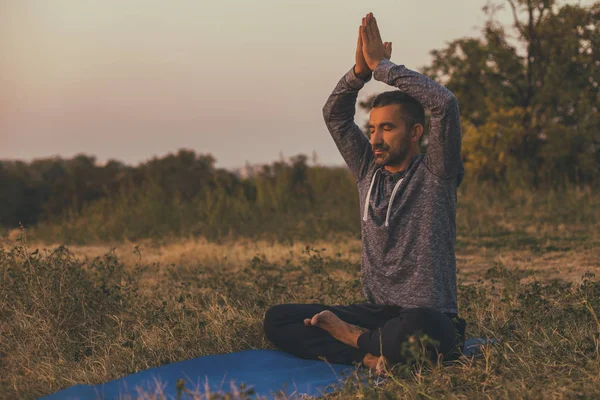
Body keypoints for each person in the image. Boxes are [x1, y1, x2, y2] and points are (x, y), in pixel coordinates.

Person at [263, 12, 466, 372]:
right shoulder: (367, 171)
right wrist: (358, 74)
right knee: (278, 319)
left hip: (426, 316)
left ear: (416, 132)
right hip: (376, 316)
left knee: (424, 328)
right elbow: (335, 115)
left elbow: (444, 104)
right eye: (372, 129)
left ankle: (350, 339)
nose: (375, 138)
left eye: (387, 128)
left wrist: (383, 67)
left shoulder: (437, 173)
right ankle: (371, 355)